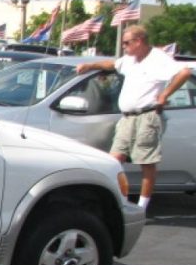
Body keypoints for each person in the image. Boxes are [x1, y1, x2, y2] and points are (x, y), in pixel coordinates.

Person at [75, 25, 191, 208]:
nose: (124, 47)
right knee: (113, 160)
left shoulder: (158, 59)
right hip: (127, 117)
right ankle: (116, 200)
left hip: (147, 116)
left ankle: (142, 205)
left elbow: (184, 73)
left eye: (126, 43)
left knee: (146, 162)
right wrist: (90, 65)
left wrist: (164, 95)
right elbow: (112, 64)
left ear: (139, 41)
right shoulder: (130, 60)